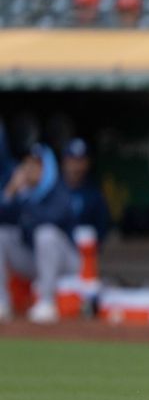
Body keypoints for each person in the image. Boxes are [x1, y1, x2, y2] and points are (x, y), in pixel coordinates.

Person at [0, 144, 78, 323]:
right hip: (34, 260)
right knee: (1, 235)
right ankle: (2, 302)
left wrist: (25, 199)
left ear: (47, 167)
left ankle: (47, 302)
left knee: (46, 234)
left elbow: (50, 219)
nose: (29, 170)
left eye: (35, 166)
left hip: (66, 262)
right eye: (26, 165)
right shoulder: (21, 192)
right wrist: (10, 192)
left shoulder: (58, 188)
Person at [61, 138, 110, 246]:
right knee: (47, 235)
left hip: (83, 252)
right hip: (59, 247)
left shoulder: (94, 193)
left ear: (87, 163)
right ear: (64, 162)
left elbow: (102, 227)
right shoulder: (54, 190)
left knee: (86, 232)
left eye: (81, 161)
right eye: (72, 160)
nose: (76, 166)